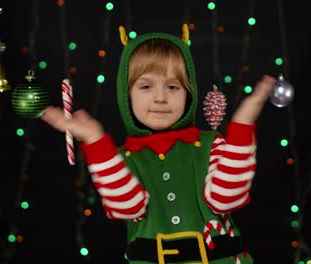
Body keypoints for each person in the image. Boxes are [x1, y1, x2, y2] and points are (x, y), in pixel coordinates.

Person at [41, 25, 275, 264]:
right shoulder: (120, 159)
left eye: (173, 86)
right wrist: (96, 141)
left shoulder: (210, 144)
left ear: (189, 93)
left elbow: (225, 199)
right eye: (146, 86)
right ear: (126, 94)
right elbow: (128, 208)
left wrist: (242, 126)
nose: (161, 97)